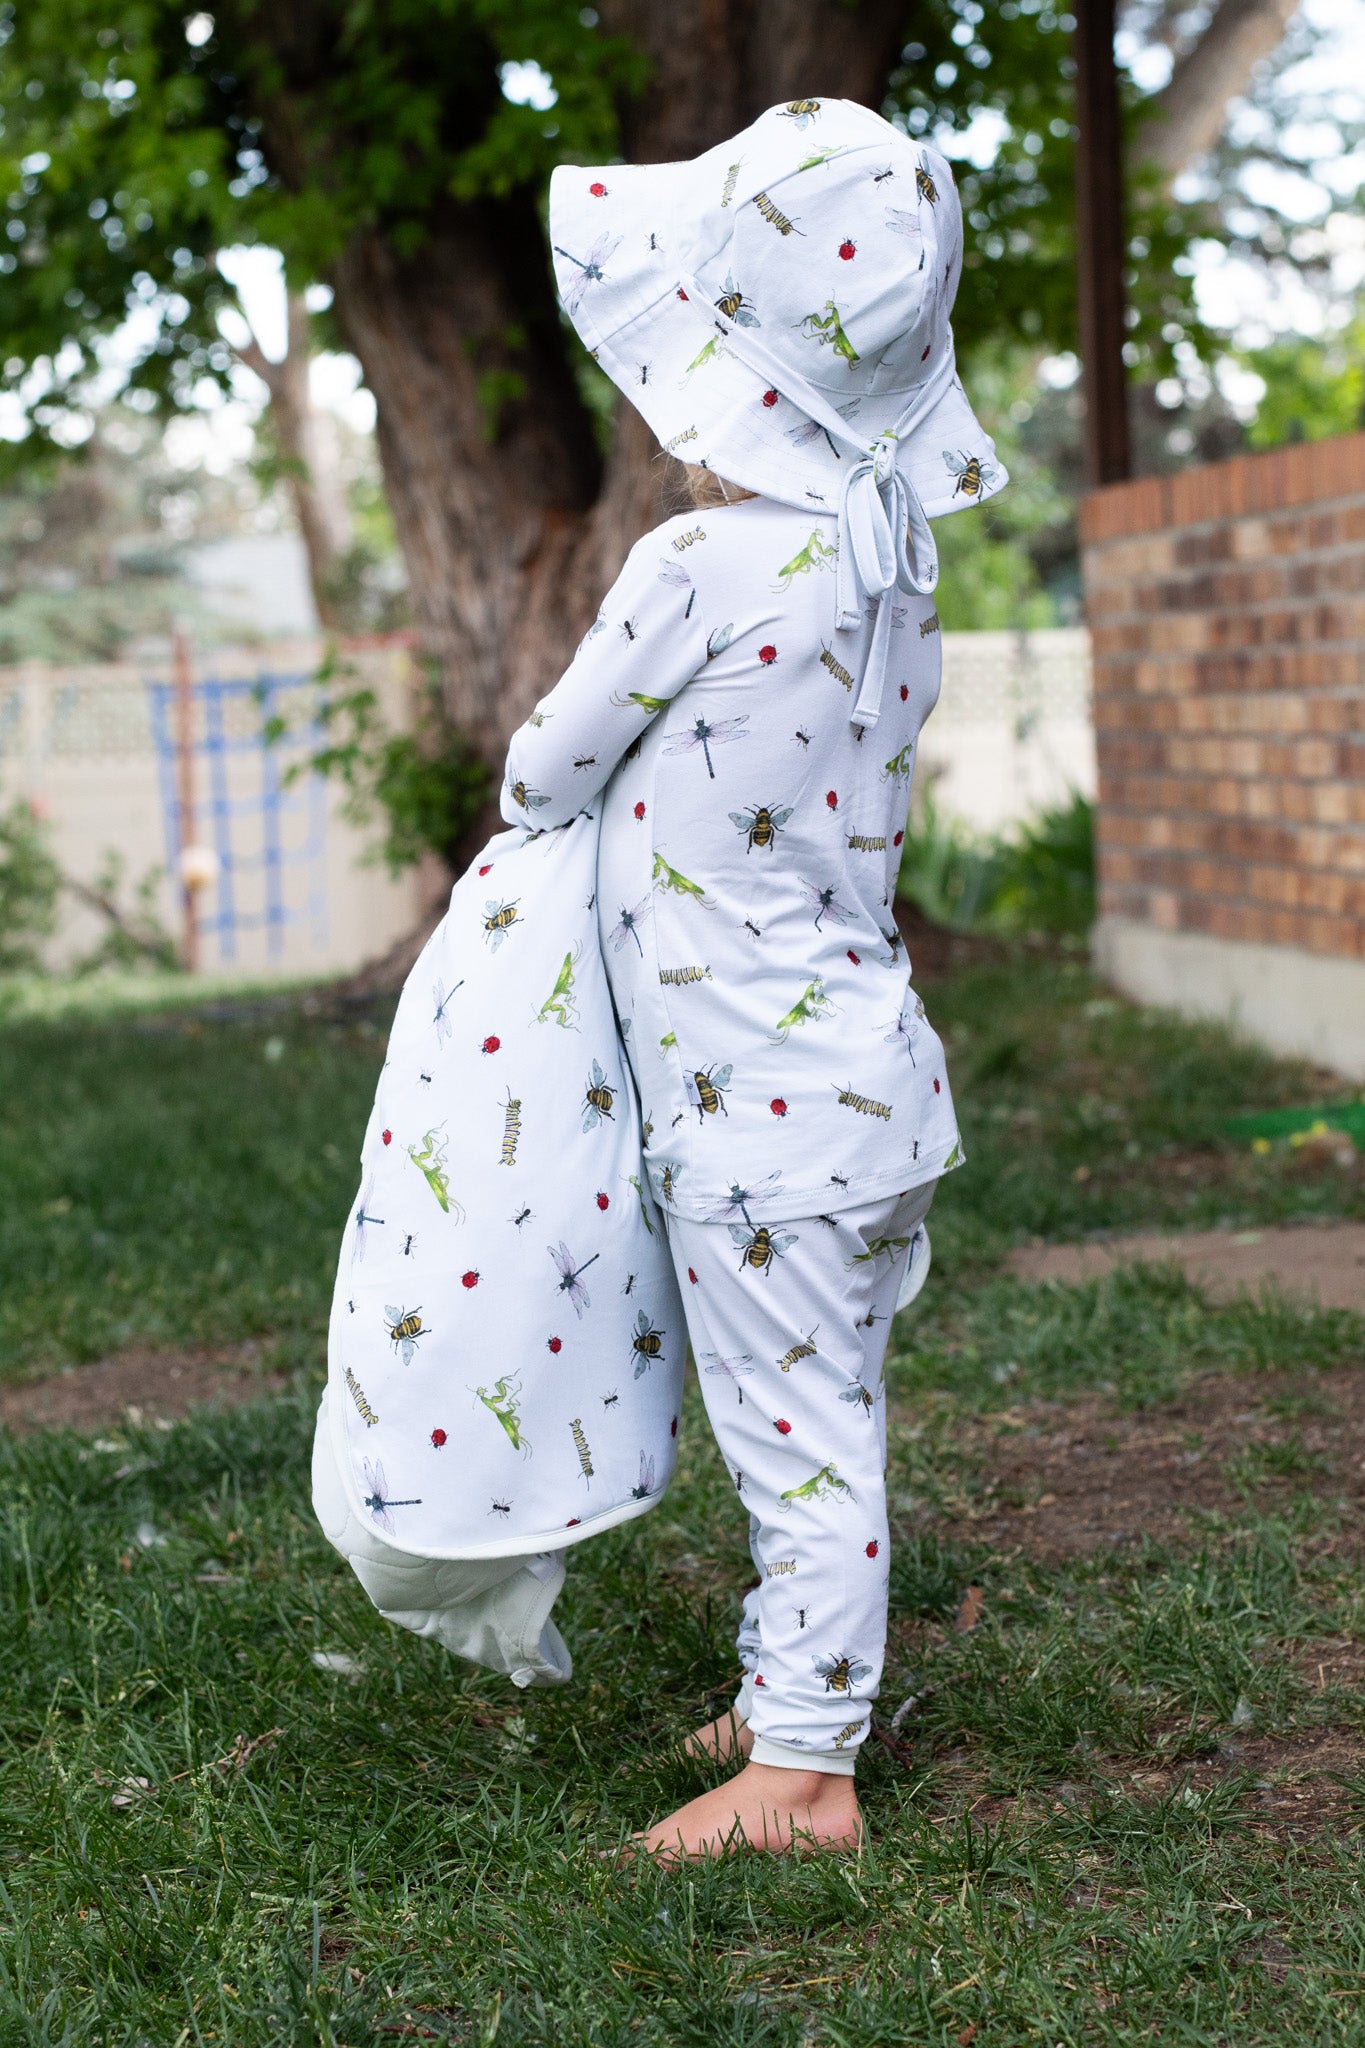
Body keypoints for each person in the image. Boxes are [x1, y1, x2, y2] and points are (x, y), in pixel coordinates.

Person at [494, 96, 1006, 1858]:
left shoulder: (699, 565)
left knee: (797, 1444)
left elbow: (546, 767)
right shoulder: (888, 561)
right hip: (866, 1074)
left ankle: (801, 1773)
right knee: (823, 1410)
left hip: (763, 1106)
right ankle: (795, 1679)